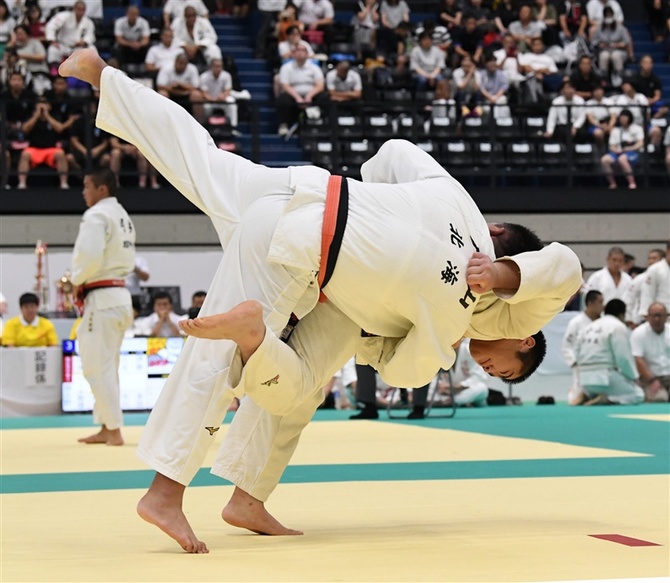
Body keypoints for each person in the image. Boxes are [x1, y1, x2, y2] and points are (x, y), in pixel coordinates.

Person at [58, 48, 582, 553]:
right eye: (508, 369)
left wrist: (384, 206)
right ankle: (166, 492)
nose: (492, 369)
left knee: (197, 156)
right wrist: (498, 277)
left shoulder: (454, 205)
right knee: (247, 367)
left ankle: (104, 76)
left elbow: (394, 152)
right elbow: (563, 270)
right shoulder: (472, 311)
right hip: (301, 254)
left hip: (303, 189)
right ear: (526, 336)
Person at [71, 168, 136, 446]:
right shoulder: (123, 216)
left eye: (87, 186)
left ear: (102, 189)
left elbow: (90, 256)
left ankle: (113, 428)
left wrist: (74, 280)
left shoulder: (97, 215)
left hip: (102, 298)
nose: (83, 192)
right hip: (118, 297)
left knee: (96, 367)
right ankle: (106, 425)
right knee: (107, 366)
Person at [574, 299, 644, 405]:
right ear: (622, 314)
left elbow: (576, 351)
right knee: (638, 395)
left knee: (609, 384)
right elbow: (623, 358)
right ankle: (609, 399)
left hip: (585, 379)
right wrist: (634, 377)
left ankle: (589, 394)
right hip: (604, 377)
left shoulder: (588, 327)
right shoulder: (617, 326)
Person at [562, 289, 603, 404]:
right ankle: (573, 391)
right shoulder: (576, 322)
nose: (603, 306)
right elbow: (566, 345)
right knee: (574, 400)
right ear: (590, 303)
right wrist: (574, 362)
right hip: (582, 365)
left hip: (601, 364)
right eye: (600, 302)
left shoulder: (604, 322)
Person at [630, 302, 670, 402]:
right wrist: (652, 380)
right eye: (654, 316)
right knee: (660, 398)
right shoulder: (638, 333)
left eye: (660, 316)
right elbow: (637, 359)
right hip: (650, 378)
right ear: (647, 317)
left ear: (666, 317)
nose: (657, 319)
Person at [600, 108, 644, 190]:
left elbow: (641, 143)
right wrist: (616, 150)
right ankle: (612, 184)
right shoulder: (616, 130)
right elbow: (612, 145)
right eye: (621, 117)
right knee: (604, 159)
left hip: (632, 152)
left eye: (625, 117)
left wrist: (630, 148)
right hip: (618, 152)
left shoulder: (637, 128)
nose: (623, 119)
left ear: (630, 118)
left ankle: (632, 183)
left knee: (622, 159)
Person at [45, 1, 96, 68]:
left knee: (92, 49)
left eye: (82, 10)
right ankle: (55, 69)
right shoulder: (63, 16)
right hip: (63, 45)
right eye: (79, 10)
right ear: (74, 9)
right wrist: (52, 40)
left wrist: (84, 41)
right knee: (53, 49)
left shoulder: (88, 22)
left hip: (78, 47)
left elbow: (90, 34)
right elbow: (51, 26)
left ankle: (91, 69)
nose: (80, 12)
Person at [638, 242, 670, 319]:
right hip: (660, 318)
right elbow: (647, 295)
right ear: (667, 251)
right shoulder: (655, 269)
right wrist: (646, 315)